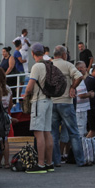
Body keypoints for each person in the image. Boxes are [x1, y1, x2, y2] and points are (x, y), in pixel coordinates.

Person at [49, 45, 86, 168]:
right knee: (73, 132)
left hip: (52, 102)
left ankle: (56, 161)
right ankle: (80, 160)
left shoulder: (48, 65)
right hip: (66, 101)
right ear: (64, 54)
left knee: (53, 134)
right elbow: (79, 76)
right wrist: (72, 87)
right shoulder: (68, 65)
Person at [24, 43, 55, 173]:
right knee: (47, 132)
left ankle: (41, 164)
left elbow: (30, 85)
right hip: (49, 100)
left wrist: (25, 94)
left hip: (38, 101)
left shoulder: (37, 66)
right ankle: (49, 163)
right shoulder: (50, 65)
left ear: (32, 53)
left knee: (38, 132)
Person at [0, 67, 13, 169]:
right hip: (5, 115)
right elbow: (10, 104)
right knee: (5, 140)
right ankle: (6, 163)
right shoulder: (8, 88)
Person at [73, 62, 91, 144]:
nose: (86, 69)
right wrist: (90, 94)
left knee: (83, 129)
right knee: (80, 130)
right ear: (79, 69)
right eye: (84, 67)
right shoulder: (79, 79)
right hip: (80, 110)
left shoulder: (81, 79)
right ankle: (80, 147)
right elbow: (80, 94)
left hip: (82, 109)